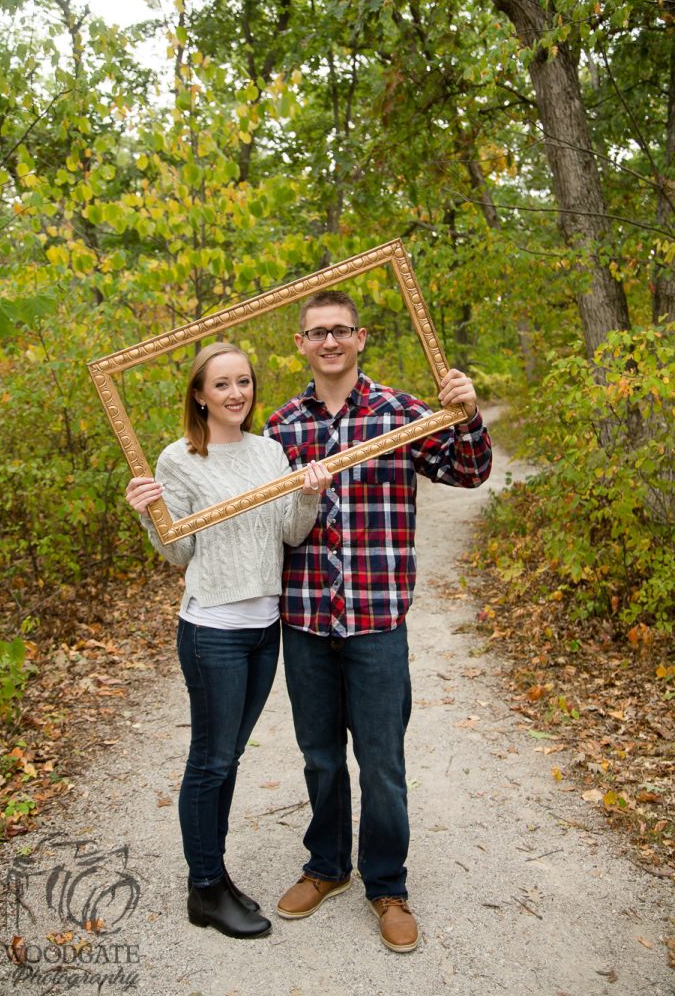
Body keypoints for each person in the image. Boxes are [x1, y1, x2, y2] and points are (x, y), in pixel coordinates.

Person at [264, 291, 492, 953]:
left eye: (340, 330)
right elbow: (260, 521)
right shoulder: (279, 428)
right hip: (304, 619)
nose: (329, 341)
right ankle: (327, 866)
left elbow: (468, 472)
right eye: (316, 332)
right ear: (301, 344)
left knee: (382, 764)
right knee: (318, 756)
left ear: (360, 338)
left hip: (376, 620)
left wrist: (468, 414)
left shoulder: (398, 412)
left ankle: (386, 884)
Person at [125, 341, 330, 940]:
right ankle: (205, 890)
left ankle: (212, 876)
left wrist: (309, 493)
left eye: (243, 381)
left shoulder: (271, 452)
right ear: (199, 394)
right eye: (222, 385)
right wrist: (151, 514)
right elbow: (179, 552)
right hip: (213, 630)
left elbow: (291, 535)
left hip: (266, 630)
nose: (236, 393)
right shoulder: (178, 460)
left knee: (228, 758)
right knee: (211, 761)